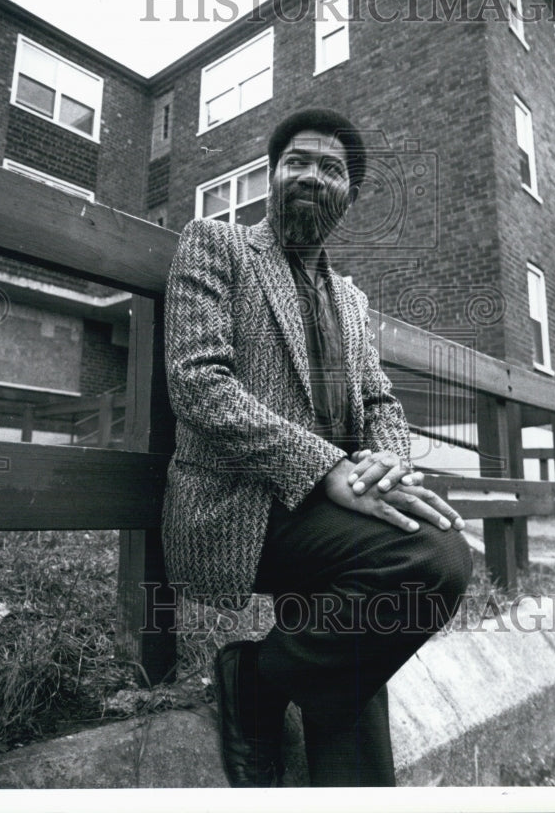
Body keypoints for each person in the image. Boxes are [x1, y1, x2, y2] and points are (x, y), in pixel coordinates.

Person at [163, 107, 472, 787]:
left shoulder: (351, 300)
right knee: (433, 558)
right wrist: (324, 465)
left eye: (330, 169)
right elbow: (197, 383)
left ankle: (264, 684)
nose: (310, 175)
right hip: (242, 505)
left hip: (335, 510)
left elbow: (381, 402)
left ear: (348, 196)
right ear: (272, 177)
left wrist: (387, 461)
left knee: (358, 653)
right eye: (296, 161)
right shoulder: (216, 245)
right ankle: (257, 680)